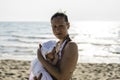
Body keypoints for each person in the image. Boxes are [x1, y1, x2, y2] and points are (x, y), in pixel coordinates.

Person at [36, 12, 78, 80]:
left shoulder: (71, 46)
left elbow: (62, 77)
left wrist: (40, 56)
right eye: (54, 26)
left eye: (61, 26)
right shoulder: (56, 45)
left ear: (68, 25)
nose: (57, 30)